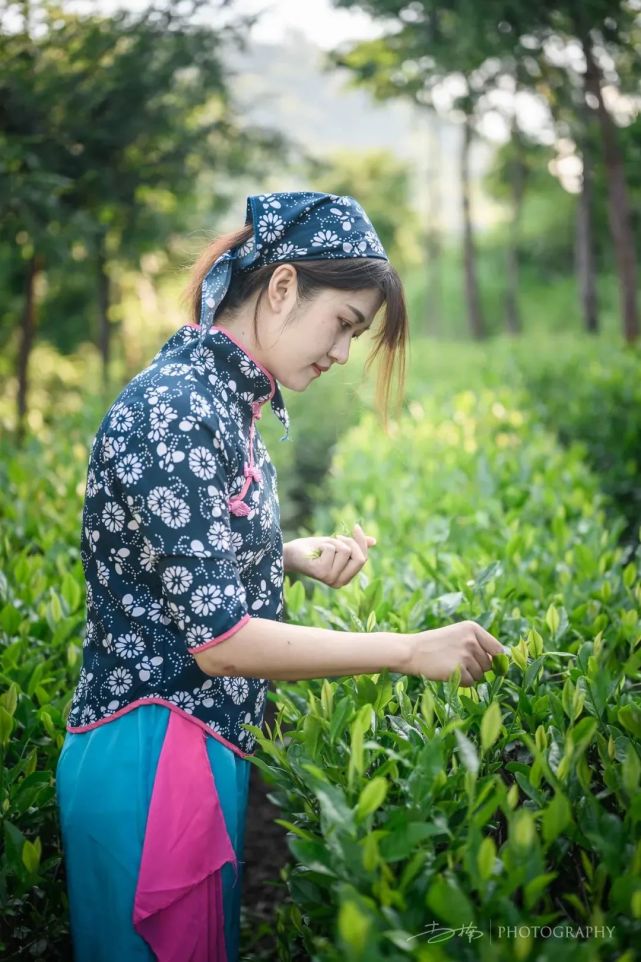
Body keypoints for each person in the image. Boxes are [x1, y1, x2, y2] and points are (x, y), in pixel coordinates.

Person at [55, 190, 507, 962]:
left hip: (195, 744)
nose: (340, 353)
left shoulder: (219, 399)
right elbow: (221, 644)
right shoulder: (176, 409)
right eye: (344, 324)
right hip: (154, 750)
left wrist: (282, 554)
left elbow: (167, 552)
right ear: (284, 285)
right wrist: (408, 650)